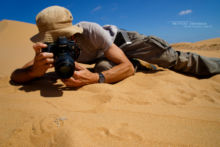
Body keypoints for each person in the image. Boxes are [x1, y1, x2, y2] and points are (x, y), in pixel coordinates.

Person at [11, 6, 220, 87]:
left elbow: (125, 67)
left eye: (63, 37)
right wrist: (33, 71)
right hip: (105, 56)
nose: (60, 43)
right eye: (53, 39)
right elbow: (16, 75)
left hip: (123, 42)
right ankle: (137, 65)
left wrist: (95, 78)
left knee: (173, 59)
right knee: (104, 68)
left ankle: (215, 65)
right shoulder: (49, 47)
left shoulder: (91, 30)